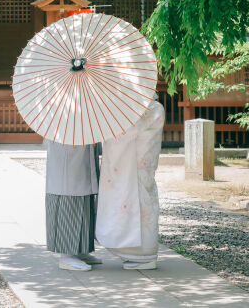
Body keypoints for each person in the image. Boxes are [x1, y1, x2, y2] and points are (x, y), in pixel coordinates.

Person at [96, 100, 165, 270]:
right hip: (138, 161)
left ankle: (145, 255)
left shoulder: (151, 108)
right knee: (139, 202)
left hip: (138, 162)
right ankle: (135, 251)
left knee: (141, 203)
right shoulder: (149, 107)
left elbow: (125, 132)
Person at [45, 139, 101, 271]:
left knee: (85, 197)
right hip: (66, 148)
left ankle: (80, 250)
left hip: (82, 147)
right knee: (68, 198)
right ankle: (66, 255)